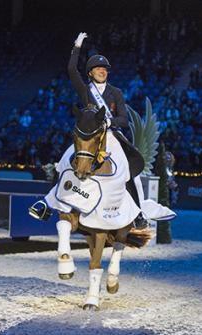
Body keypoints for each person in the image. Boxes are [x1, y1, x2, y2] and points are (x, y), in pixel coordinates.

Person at [66, 32, 147, 227]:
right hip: (89, 137)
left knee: (126, 170)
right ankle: (54, 204)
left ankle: (138, 215)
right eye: (97, 68)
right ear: (90, 73)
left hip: (110, 135)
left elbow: (124, 120)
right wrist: (77, 47)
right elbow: (71, 69)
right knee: (64, 161)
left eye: (104, 69)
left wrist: (110, 123)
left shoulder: (116, 92)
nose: (102, 71)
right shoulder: (86, 91)